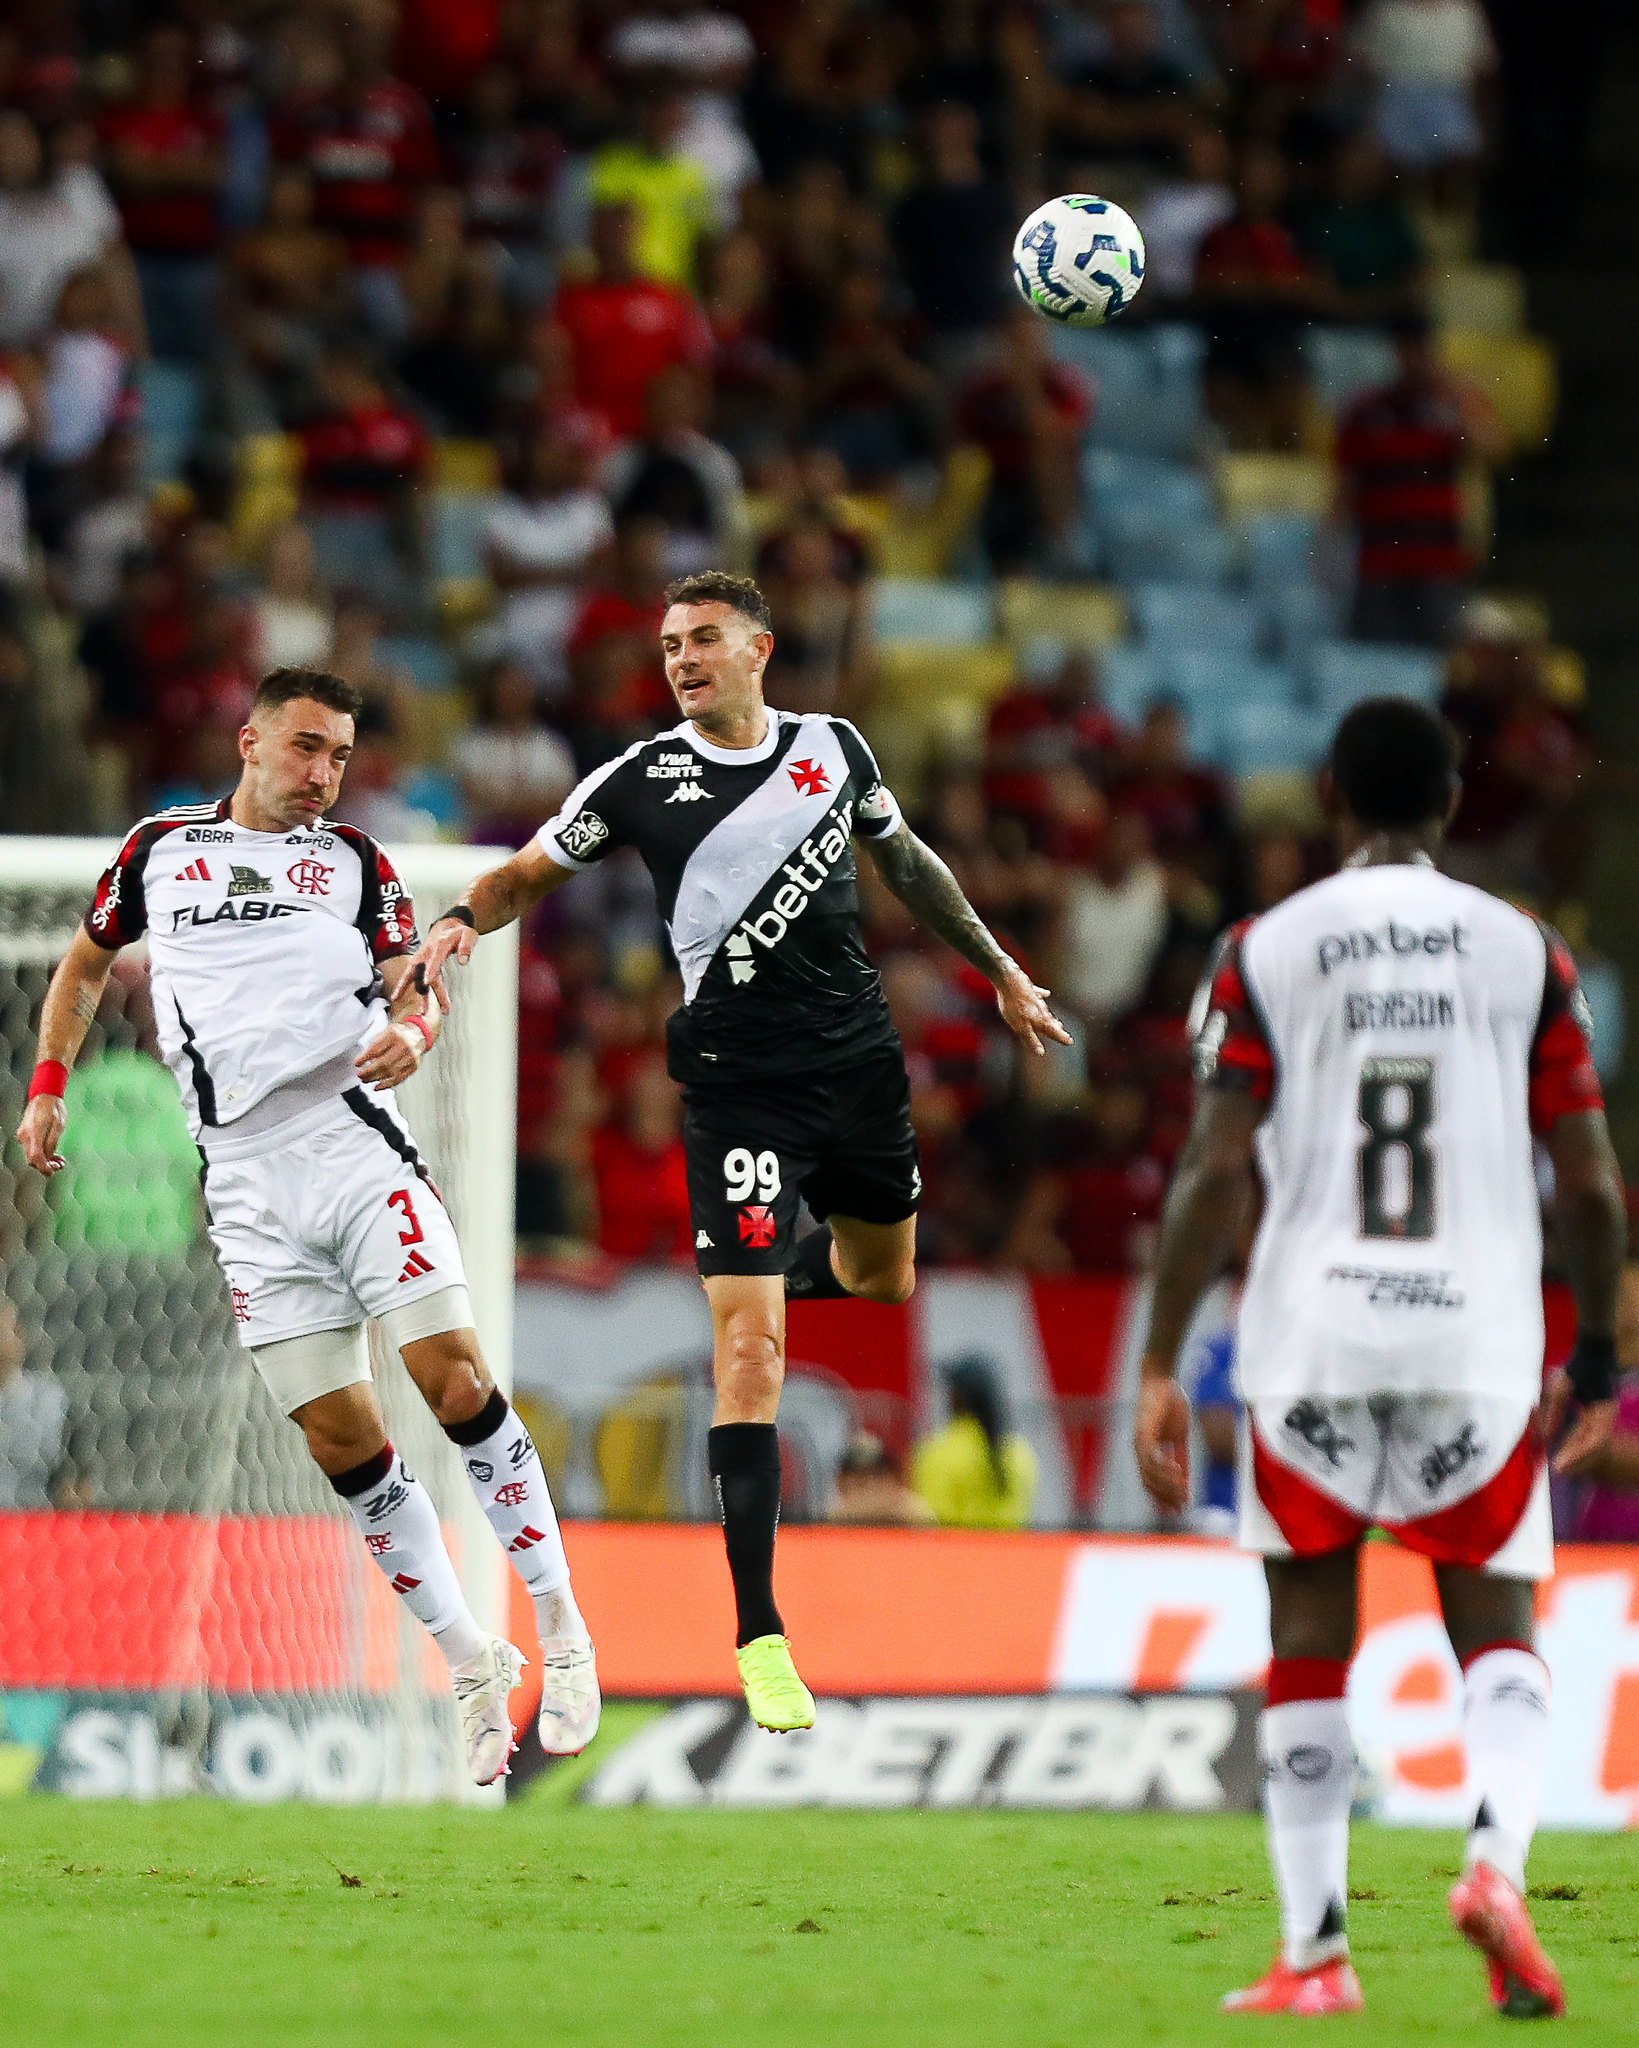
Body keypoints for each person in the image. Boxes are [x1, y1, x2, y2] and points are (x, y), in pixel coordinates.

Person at [408, 570, 1070, 1731]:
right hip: (736, 1094)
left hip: (859, 1072)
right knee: (750, 1349)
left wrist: (1001, 970)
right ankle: (760, 1634)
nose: (681, 658)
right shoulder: (639, 779)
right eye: (668, 644)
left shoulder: (836, 748)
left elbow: (908, 864)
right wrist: (464, 916)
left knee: (882, 1275)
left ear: (759, 647)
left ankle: (752, 1270)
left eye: (703, 638)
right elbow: (524, 871)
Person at [15, 666, 600, 1784]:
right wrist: (49, 1078)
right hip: (239, 1182)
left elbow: (412, 980)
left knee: (455, 1379)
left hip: (347, 1141)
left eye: (339, 756)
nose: (324, 775)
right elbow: (85, 962)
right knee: (342, 1443)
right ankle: (472, 1663)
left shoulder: (357, 866)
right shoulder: (155, 851)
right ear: (250, 740)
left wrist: (417, 1031)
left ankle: (563, 1630)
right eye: (306, 748)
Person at [1133, 695, 1623, 2017]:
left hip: (1312, 1332)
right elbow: (1585, 1183)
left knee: (1304, 1632)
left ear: (1332, 800)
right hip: (1473, 1334)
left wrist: (1160, 1359)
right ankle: (1491, 1866)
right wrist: (1594, 1355)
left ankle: (1314, 1957)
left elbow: (1213, 1167)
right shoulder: (1526, 952)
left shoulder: (1260, 948)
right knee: (1497, 1628)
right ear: (1450, 803)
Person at [912, 1356, 1038, 1529]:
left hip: (956, 1554)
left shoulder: (937, 1452)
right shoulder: (1019, 1452)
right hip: (1013, 1554)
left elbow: (932, 1524)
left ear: (956, 1397)